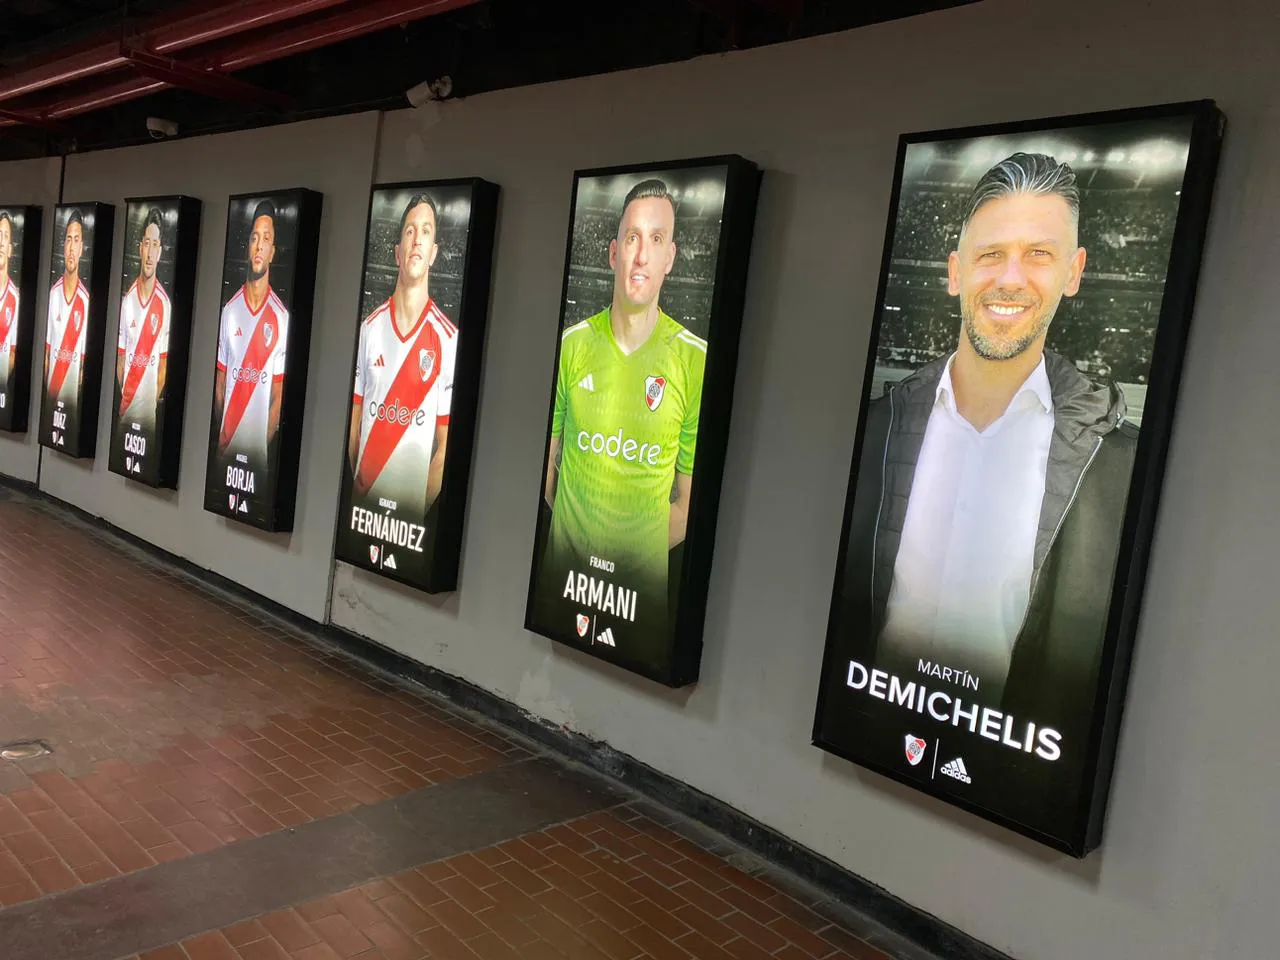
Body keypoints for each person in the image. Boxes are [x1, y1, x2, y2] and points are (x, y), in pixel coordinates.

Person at [837, 152, 1137, 743]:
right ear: (955, 271)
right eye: (991, 254)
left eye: (1039, 255)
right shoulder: (880, 427)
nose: (1010, 279)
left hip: (1005, 763)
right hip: (870, 729)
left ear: (1073, 273)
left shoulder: (1112, 463)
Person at [539, 178, 706, 648]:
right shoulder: (571, 346)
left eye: (656, 240)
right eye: (632, 237)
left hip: (640, 604)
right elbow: (547, 477)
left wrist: (632, 559)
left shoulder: (694, 360)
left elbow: (688, 508)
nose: (641, 256)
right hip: (563, 587)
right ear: (613, 252)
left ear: (670, 258)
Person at [348, 194, 456, 520]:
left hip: (408, 518)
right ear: (397, 252)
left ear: (434, 252)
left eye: (425, 231)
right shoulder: (369, 328)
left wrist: (413, 512)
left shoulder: (448, 340)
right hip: (364, 508)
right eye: (409, 231)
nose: (417, 238)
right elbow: (354, 428)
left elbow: (445, 448)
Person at [213, 200, 288, 468]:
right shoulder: (230, 310)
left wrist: (258, 445)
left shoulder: (281, 318)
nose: (259, 245)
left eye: (266, 239)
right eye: (255, 237)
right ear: (248, 247)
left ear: (272, 252)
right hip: (224, 452)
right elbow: (220, 387)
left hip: (258, 460)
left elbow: (279, 398)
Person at [116, 207, 171, 431]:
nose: (149, 254)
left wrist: (147, 404)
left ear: (160, 252)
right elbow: (120, 359)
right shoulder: (127, 301)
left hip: (149, 418)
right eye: (146, 243)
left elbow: (163, 367)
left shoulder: (165, 304)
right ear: (140, 248)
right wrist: (129, 395)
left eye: (155, 245)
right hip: (124, 410)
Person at [44, 209, 89, 430]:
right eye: (68, 240)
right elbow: (46, 355)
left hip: (75, 409)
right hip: (50, 403)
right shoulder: (52, 295)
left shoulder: (87, 302)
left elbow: (84, 369)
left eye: (77, 240)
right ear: (63, 246)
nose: (72, 247)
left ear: (82, 248)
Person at [0, 212, 19, 400]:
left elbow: (13, 353)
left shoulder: (16, 299)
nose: (0, 242)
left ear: (11, 249)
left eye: (5, 236)